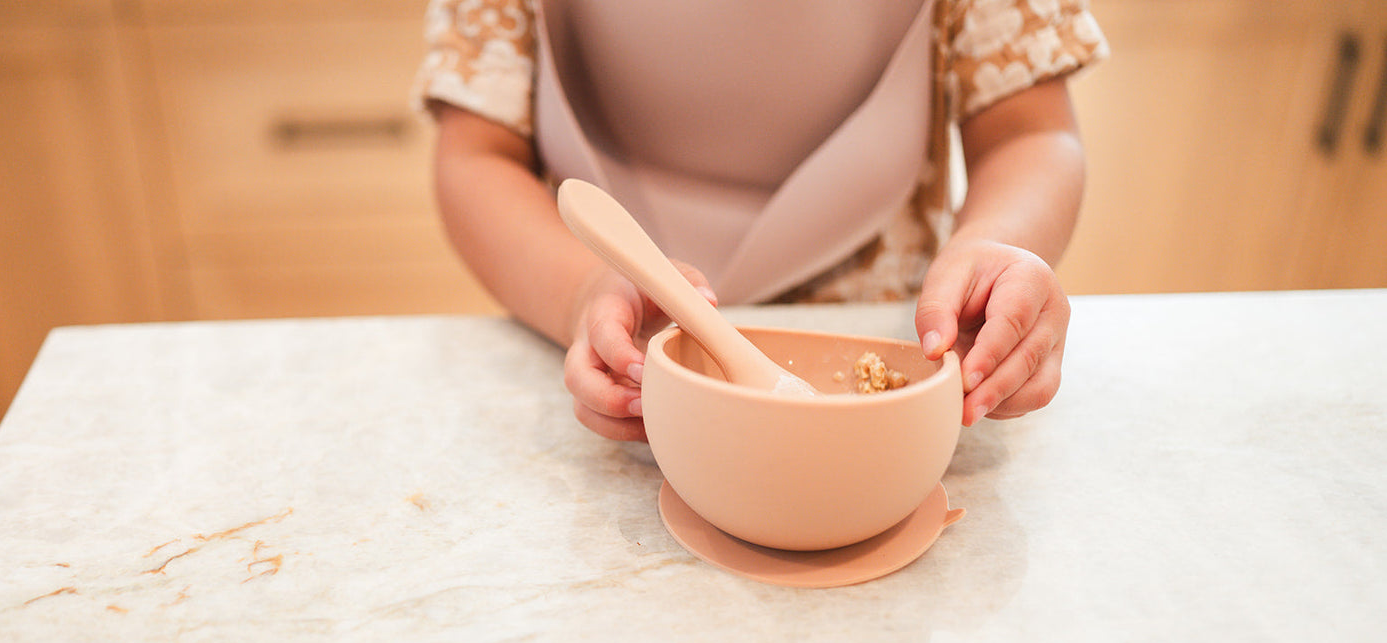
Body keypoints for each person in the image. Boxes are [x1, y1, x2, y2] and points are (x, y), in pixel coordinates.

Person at [414, 0, 1108, 441]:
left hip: (901, 348)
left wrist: (997, 247)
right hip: (616, 358)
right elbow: (477, 157)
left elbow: (1029, 133)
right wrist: (578, 294)